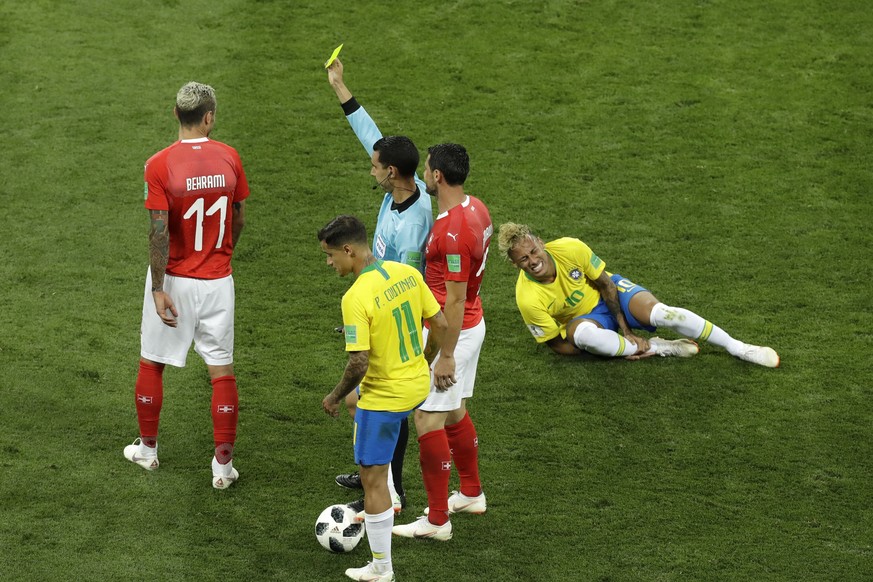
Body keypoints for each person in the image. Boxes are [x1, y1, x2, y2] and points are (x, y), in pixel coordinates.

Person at [123, 81, 250, 489]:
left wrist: (159, 289)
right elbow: (238, 217)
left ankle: (148, 449)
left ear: (176, 114)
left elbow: (158, 232)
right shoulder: (230, 157)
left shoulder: (158, 164)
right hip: (217, 281)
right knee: (222, 371)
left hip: (175, 279)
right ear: (209, 117)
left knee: (152, 361)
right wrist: (221, 253)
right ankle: (223, 467)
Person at [327, 58, 434, 510]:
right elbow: (370, 135)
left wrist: (367, 316)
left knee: (377, 400)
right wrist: (340, 86)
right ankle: (379, 477)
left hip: (401, 310)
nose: (370, 168)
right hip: (384, 300)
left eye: (376, 166)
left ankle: (391, 489)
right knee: (371, 401)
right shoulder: (403, 189)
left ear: (392, 171)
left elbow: (401, 283)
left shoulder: (412, 228)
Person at [319, 215, 447, 582]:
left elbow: (358, 362)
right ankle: (389, 486)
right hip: (417, 384)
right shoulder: (405, 272)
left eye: (330, 256)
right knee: (353, 403)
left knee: (370, 479)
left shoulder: (355, 296)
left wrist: (332, 395)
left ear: (348, 250)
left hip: (386, 396)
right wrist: (424, 361)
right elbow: (438, 325)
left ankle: (381, 567)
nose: (330, 264)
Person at [496, 222, 780, 367]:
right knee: (587, 338)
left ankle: (739, 347)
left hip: (609, 296)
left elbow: (606, 284)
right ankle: (657, 347)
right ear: (514, 264)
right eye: (523, 259)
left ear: (541, 244)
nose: (532, 261)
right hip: (583, 322)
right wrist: (610, 350)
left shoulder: (570, 248)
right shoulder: (527, 297)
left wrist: (625, 331)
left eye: (533, 252)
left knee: (666, 313)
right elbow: (557, 346)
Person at [393, 143, 491, 542]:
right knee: (454, 412)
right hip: (471, 321)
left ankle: (437, 521)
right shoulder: (477, 208)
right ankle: (471, 493)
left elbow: (452, 296)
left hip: (453, 330)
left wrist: (444, 354)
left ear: (437, 176)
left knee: (426, 418)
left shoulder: (452, 232)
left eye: (428, 168)